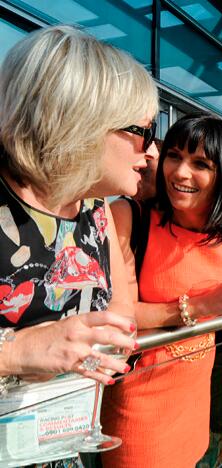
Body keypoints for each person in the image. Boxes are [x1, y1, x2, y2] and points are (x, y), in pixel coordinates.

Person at [102, 113, 222, 467]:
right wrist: (203, 304)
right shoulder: (130, 218)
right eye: (174, 156)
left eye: (200, 163)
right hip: (138, 409)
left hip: (193, 405)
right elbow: (118, 317)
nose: (180, 172)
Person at [0, 25, 153, 387]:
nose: (151, 149)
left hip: (63, 433)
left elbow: (121, 311)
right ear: (83, 122)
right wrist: (18, 351)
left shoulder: (94, 207)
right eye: (143, 131)